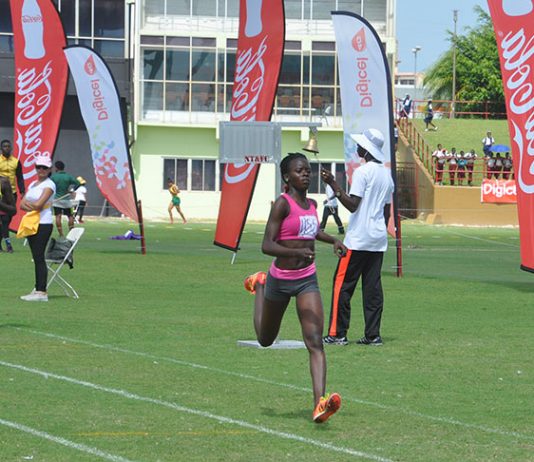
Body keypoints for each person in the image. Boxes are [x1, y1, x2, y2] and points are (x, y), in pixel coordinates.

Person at [243, 152, 346, 423]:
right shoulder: (282, 204)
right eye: (299, 171)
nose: (306, 174)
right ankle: (260, 284)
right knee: (265, 340)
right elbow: (267, 245)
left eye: (307, 170)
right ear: (287, 177)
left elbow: (312, 231)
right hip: (280, 279)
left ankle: (319, 404)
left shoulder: (312, 204)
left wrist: (333, 240)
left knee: (315, 341)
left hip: (306, 280)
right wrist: (295, 251)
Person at [321, 128, 395, 347]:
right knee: (372, 288)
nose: (357, 147)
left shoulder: (363, 172)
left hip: (358, 239)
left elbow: (353, 205)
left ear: (367, 149)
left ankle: (337, 334)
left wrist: (333, 184)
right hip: (377, 239)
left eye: (361, 145)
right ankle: (373, 335)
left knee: (342, 285)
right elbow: (387, 211)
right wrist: (377, 228)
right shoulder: (386, 175)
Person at [19, 155, 56, 302]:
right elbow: (22, 204)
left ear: (49, 169)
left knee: (39, 256)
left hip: (43, 223)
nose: (41, 170)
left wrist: (32, 206)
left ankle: (42, 291)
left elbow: (39, 205)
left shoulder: (49, 185)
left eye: (44, 167)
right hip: (31, 222)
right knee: (36, 257)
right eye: (38, 167)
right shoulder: (33, 184)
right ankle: (38, 288)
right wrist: (32, 206)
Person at [0, 139, 25, 252]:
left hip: (12, 194)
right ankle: (8, 245)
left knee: (7, 219)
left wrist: (22, 191)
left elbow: (19, 177)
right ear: (1, 148)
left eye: (8, 146)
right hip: (1, 194)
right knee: (4, 219)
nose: (7, 148)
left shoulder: (16, 162)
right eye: (5, 146)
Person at [51, 161, 79, 236]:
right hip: (66, 199)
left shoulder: (53, 177)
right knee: (70, 216)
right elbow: (78, 183)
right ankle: (71, 232)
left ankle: (61, 234)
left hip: (57, 199)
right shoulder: (68, 176)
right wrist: (72, 190)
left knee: (58, 216)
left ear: (56, 168)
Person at [0, 176, 17, 252]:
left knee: (4, 227)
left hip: (4, 209)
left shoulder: (3, 182)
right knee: (4, 227)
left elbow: (9, 197)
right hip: (5, 209)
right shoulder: (5, 181)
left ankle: (8, 245)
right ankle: (8, 245)